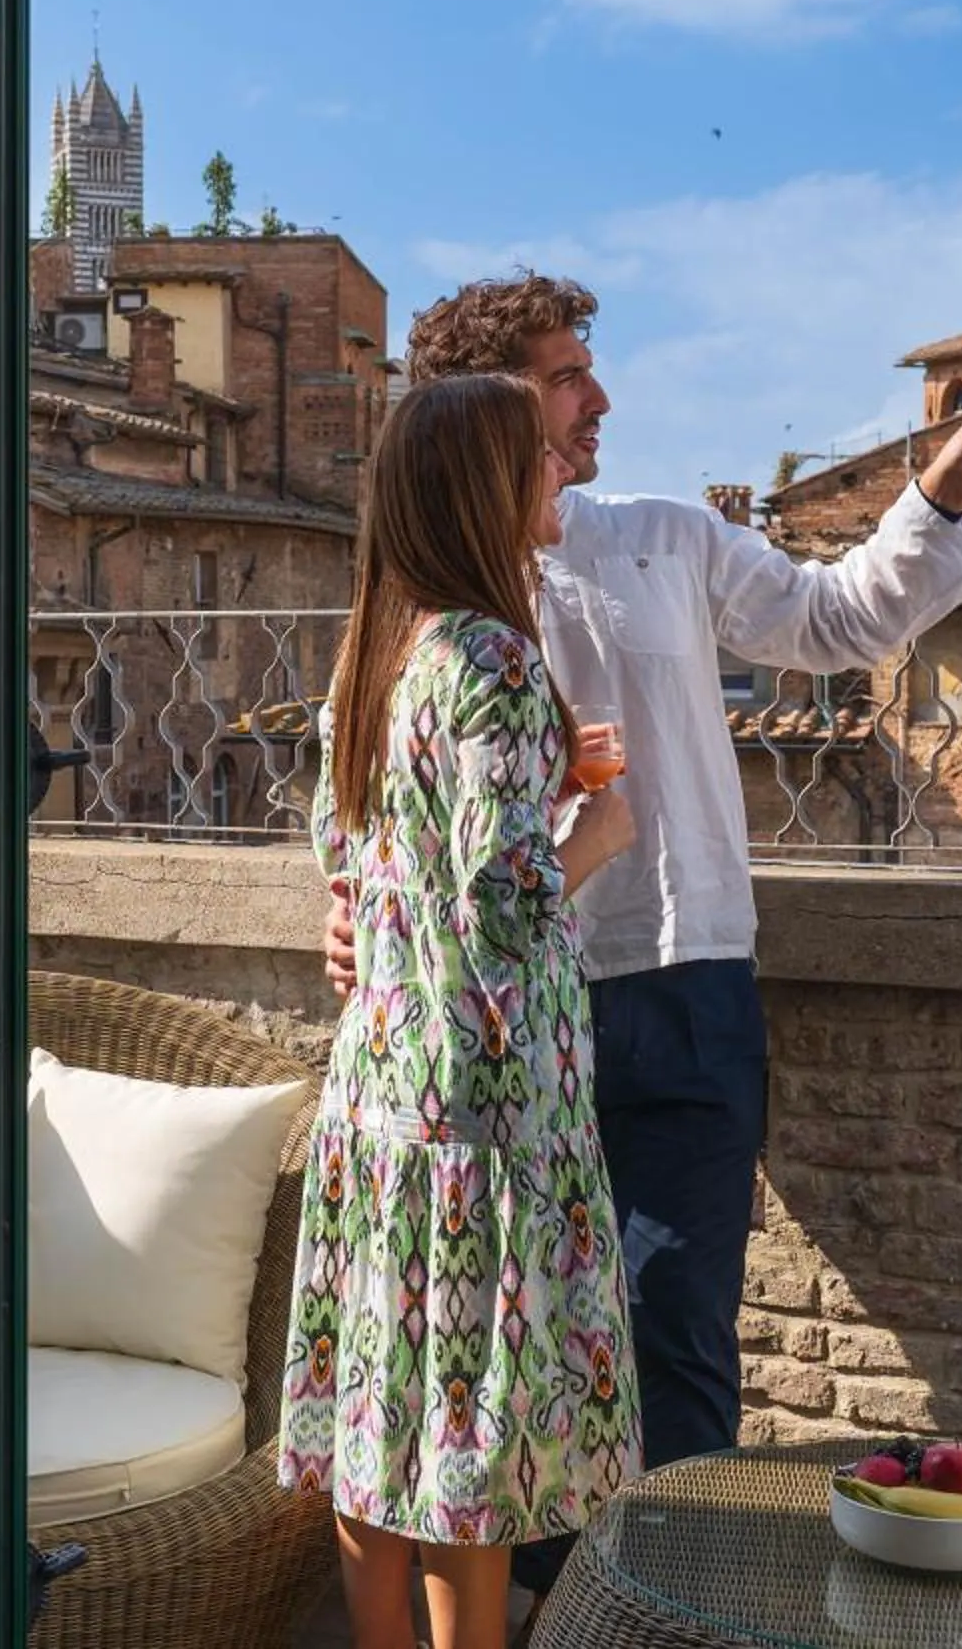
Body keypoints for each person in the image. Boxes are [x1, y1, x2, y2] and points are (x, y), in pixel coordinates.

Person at [326, 271, 962, 1600]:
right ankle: (555, 1610)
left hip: (688, 989)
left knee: (676, 1340)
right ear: (483, 409)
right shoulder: (430, 601)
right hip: (500, 1026)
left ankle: (678, 1610)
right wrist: (362, 920)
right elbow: (376, 794)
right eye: (563, 377)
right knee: (515, 1350)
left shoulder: (662, 535)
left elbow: (833, 625)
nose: (599, 399)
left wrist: (941, 494)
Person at [279, 373, 644, 1649]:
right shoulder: (489, 656)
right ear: (484, 488)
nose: (560, 474)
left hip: (378, 1106)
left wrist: (547, 779)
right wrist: (591, 828)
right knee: (470, 1457)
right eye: (540, 457)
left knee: (383, 1425)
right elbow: (502, 904)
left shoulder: (372, 655)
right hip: (477, 1123)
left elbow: (357, 855)